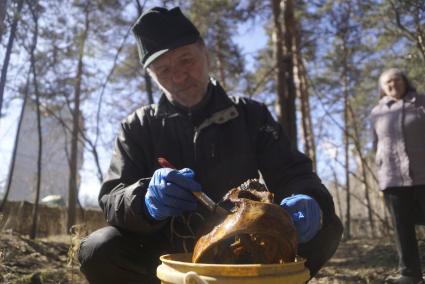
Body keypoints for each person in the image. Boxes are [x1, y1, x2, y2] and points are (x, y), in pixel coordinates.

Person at [78, 6, 343, 284]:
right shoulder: (137, 127)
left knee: (328, 228)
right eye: (164, 70)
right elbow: (112, 197)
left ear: (206, 53)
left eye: (186, 60)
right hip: (164, 254)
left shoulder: (250, 116)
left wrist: (308, 197)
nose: (179, 76)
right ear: (152, 76)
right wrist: (144, 201)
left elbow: (294, 173)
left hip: (246, 246)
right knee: (99, 249)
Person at [371, 68, 425, 284]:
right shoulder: (377, 112)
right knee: (402, 226)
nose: (393, 85)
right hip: (392, 177)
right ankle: (410, 274)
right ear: (383, 89)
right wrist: (379, 168)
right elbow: (376, 144)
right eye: (387, 83)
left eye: (396, 80)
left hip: (423, 174)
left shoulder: (420, 102)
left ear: (405, 81)